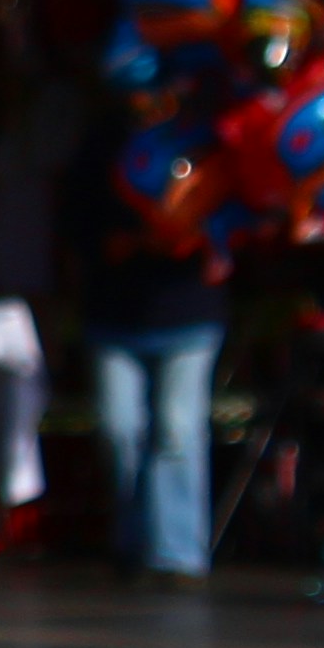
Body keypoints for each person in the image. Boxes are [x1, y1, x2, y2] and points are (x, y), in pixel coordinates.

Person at [81, 75, 228, 586]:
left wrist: (207, 242)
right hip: (116, 313)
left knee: (177, 428)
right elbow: (77, 224)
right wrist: (123, 241)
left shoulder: (203, 142)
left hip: (188, 310)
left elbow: (231, 214)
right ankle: (133, 540)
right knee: (120, 429)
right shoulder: (103, 145)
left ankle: (178, 554)